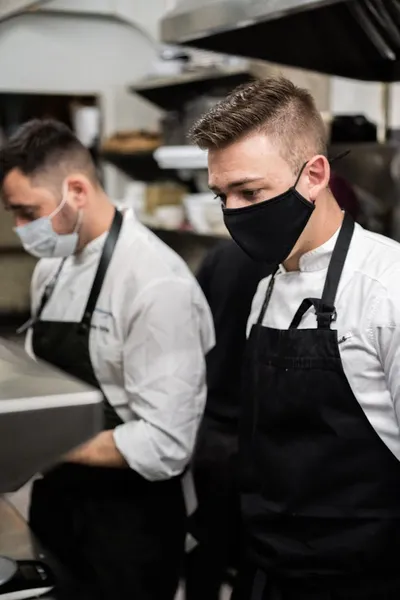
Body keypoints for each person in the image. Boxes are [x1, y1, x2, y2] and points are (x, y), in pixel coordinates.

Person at [189, 77, 400, 600]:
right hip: (269, 572)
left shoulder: (387, 290)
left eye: (251, 192)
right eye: (223, 195)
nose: (234, 212)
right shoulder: (265, 288)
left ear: (315, 174)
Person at [0, 119, 215, 600]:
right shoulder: (52, 268)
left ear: (75, 189)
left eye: (26, 212)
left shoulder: (156, 283)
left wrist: (34, 444)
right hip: (57, 503)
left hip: (129, 524)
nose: (20, 229)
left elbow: (166, 443)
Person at [185, 240, 270, 600]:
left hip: (213, 427)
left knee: (209, 543)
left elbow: (192, 326)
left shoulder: (220, 255)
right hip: (256, 434)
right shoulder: (288, 258)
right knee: (256, 550)